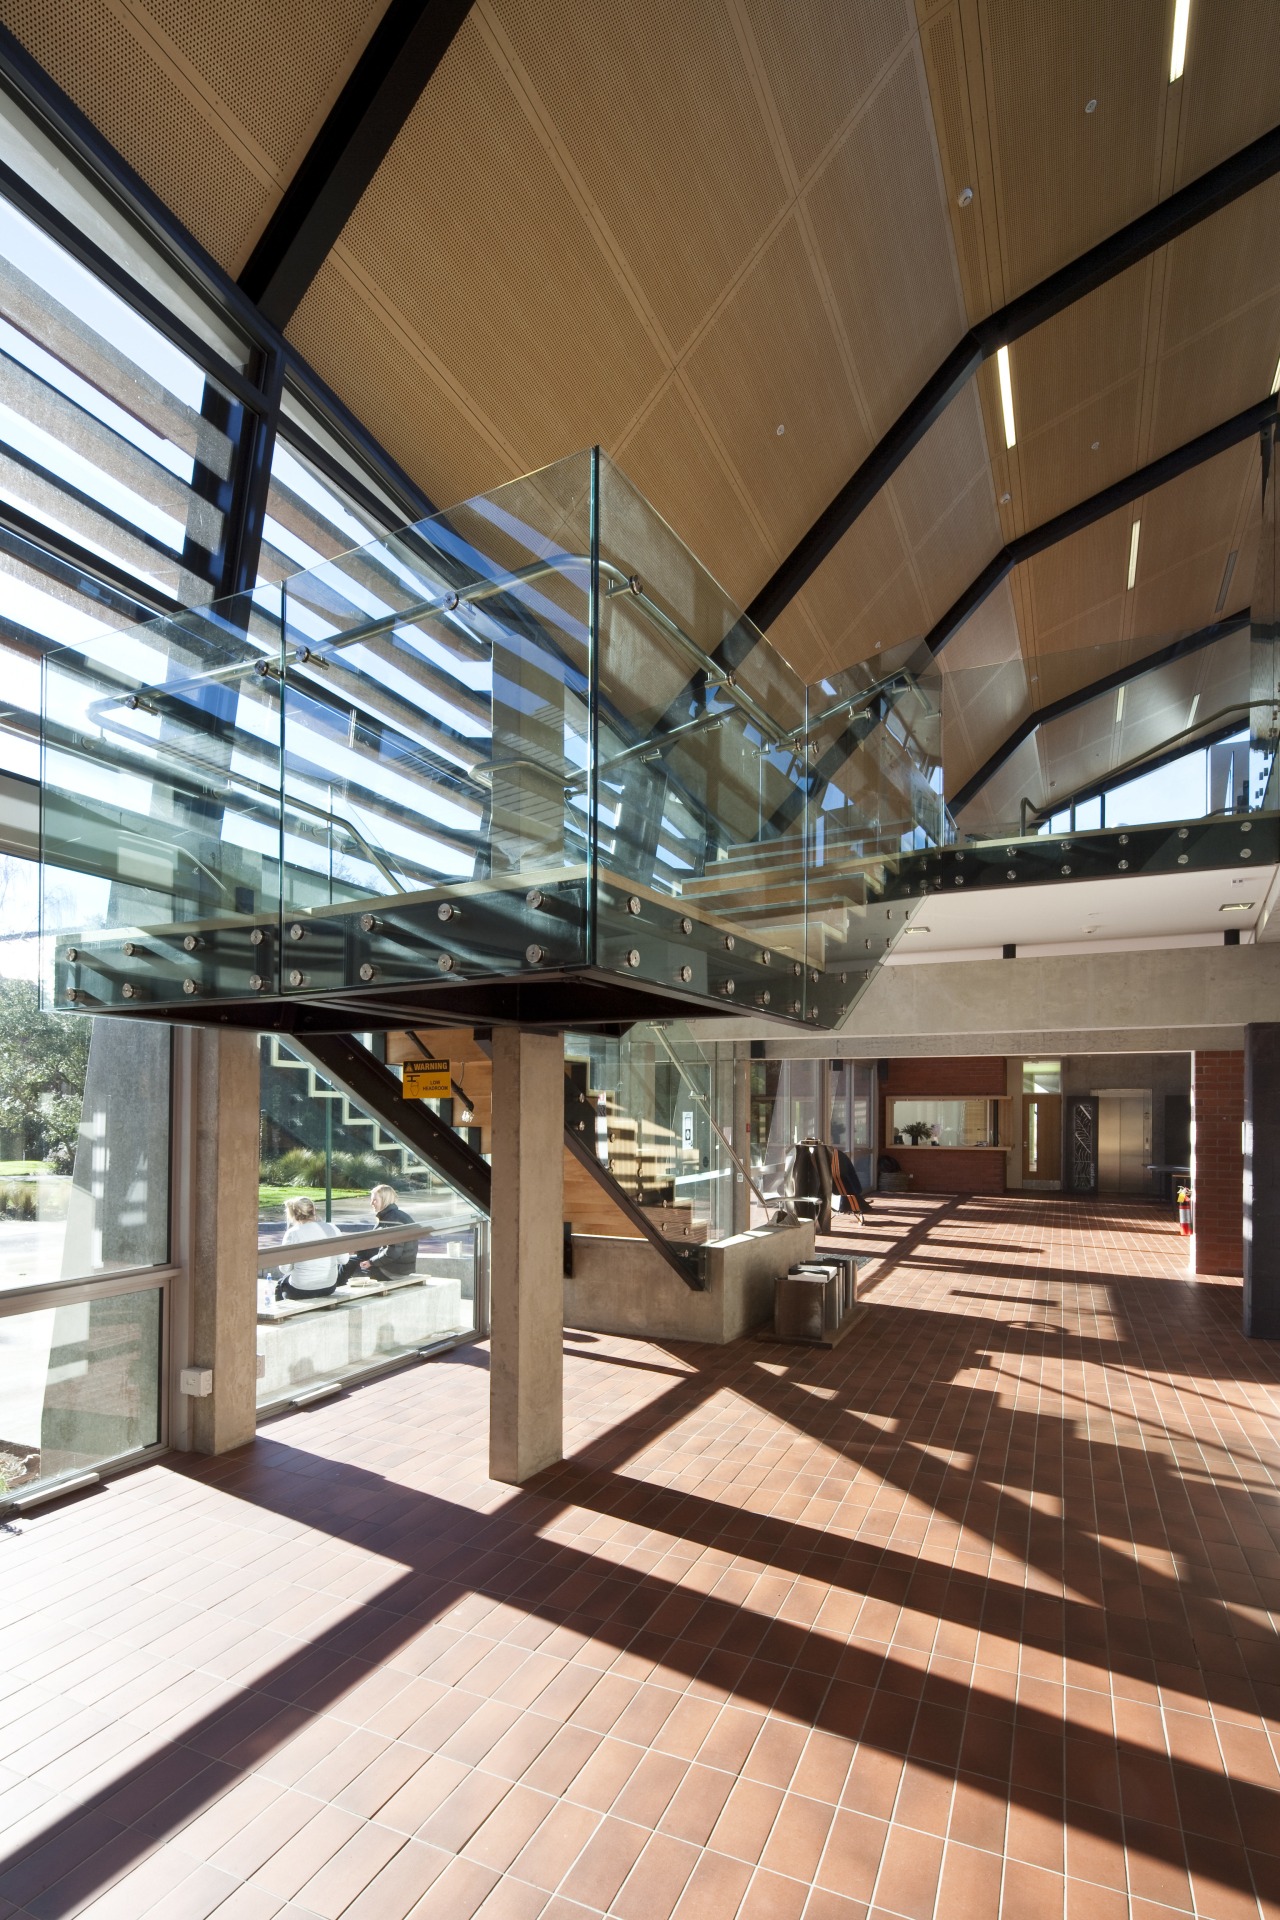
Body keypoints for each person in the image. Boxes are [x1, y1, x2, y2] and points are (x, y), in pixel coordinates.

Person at [337, 1184, 419, 1286]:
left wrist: (371, 1262)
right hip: (401, 1267)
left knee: (348, 1264)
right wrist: (358, 1250)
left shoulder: (392, 1220)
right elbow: (379, 1245)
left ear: (384, 1200)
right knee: (349, 1261)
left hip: (393, 1271)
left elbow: (393, 1252)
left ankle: (336, 1292)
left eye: (375, 1200)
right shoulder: (392, 1216)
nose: (371, 1203)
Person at [275, 1195, 344, 1300]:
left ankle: (281, 1315)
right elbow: (344, 1260)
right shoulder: (332, 1228)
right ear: (314, 1210)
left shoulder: (293, 1233)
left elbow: (284, 1269)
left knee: (280, 1285)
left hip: (301, 1289)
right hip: (329, 1287)